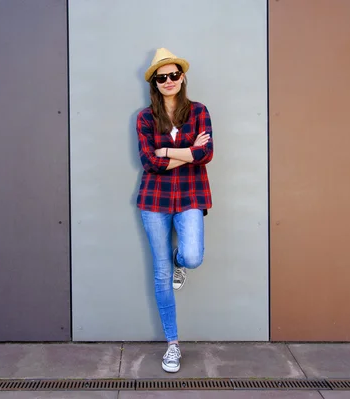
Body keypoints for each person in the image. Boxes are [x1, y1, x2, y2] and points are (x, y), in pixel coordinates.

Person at [136, 48, 214, 373]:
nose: (168, 81)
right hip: (154, 200)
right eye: (161, 77)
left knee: (193, 255)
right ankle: (172, 345)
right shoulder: (144, 118)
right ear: (155, 82)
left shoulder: (198, 111)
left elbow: (207, 153)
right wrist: (188, 151)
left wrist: (167, 149)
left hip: (191, 196)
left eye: (173, 75)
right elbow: (148, 162)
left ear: (182, 77)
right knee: (161, 272)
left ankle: (180, 260)